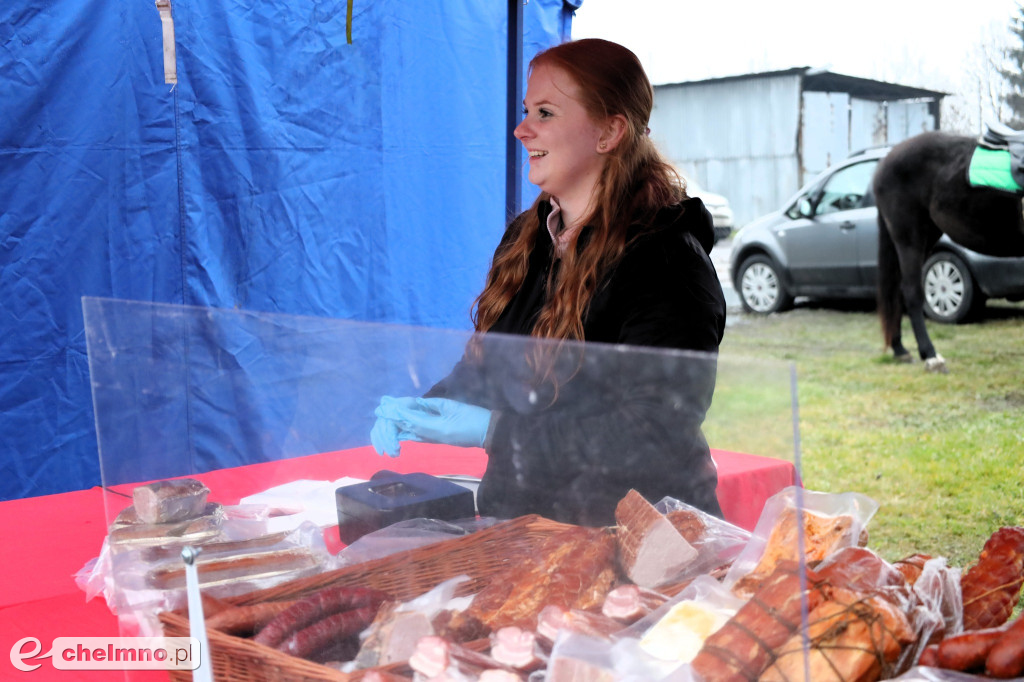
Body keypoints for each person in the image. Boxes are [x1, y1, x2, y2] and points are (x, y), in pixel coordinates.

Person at [370, 38, 726, 526]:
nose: (521, 129)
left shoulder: (666, 260)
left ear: (609, 132)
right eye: (525, 110)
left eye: (545, 112)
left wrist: (493, 431)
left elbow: (651, 435)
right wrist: (432, 405)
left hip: (637, 534)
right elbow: (496, 366)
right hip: (524, 523)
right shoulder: (528, 237)